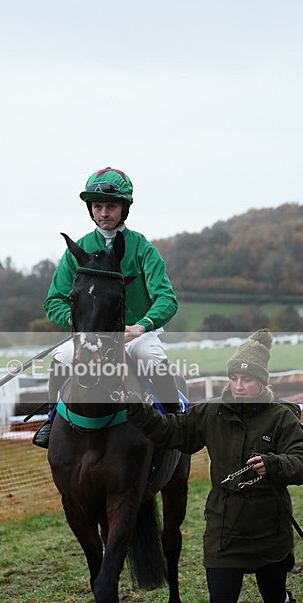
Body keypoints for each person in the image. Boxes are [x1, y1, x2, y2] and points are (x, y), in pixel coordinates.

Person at [124, 330, 303, 603]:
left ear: (262, 382)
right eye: (235, 378)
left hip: (268, 526)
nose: (239, 385)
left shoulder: (281, 419)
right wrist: (136, 407)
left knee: (274, 594)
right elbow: (171, 432)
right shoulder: (210, 414)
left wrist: (274, 465)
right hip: (224, 525)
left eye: (247, 379)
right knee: (220, 599)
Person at [33, 166, 180, 448]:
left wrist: (143, 326)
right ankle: (52, 419)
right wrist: (83, 325)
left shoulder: (143, 249)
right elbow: (54, 301)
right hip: (91, 335)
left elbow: (166, 298)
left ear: (124, 208)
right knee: (62, 357)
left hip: (136, 333)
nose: (104, 213)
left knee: (149, 355)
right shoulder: (78, 250)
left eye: (111, 206)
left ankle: (175, 421)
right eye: (98, 206)